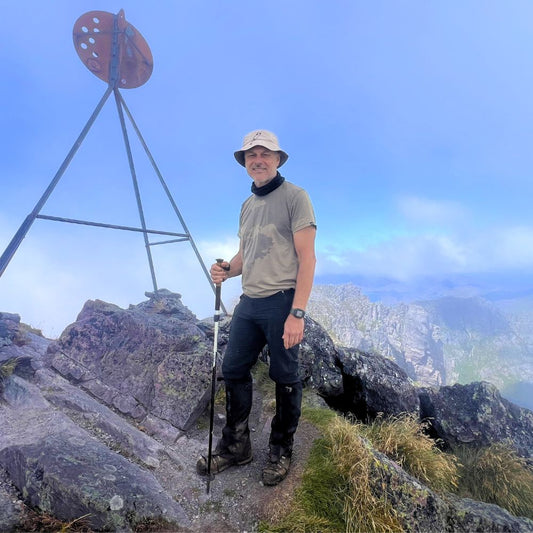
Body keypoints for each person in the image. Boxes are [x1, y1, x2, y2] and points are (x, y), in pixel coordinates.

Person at [197, 129, 317, 486]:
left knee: (285, 378)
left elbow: (307, 258)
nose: (258, 160)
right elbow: (246, 255)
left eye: (265, 154)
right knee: (232, 369)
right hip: (249, 302)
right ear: (245, 163)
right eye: (252, 156)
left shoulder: (296, 197)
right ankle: (237, 447)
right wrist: (227, 271)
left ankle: (281, 450)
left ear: (278, 160)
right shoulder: (247, 206)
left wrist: (297, 313)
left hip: (282, 301)